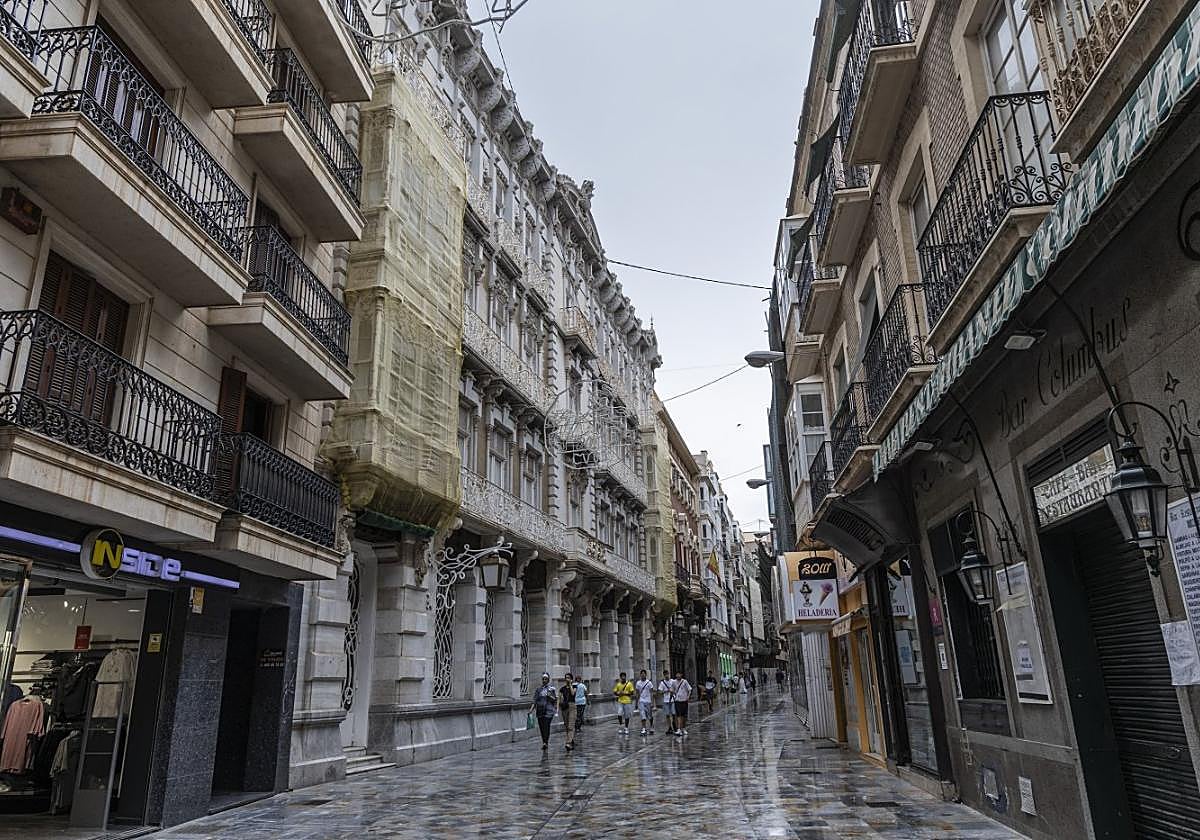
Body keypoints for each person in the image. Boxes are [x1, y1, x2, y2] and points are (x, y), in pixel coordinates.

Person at [530, 672, 558, 750]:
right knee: (542, 727)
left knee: (546, 726)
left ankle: (545, 742)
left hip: (549, 711)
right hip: (540, 710)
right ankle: (544, 741)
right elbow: (535, 700)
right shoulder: (538, 690)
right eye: (543, 679)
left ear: (548, 680)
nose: (544, 680)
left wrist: (550, 696)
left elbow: (555, 699)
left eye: (546, 679)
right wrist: (531, 710)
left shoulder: (551, 689)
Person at [559, 673, 577, 751]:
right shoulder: (562, 689)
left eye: (569, 678)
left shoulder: (574, 686)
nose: (567, 679)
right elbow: (559, 698)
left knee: (571, 725)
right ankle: (571, 740)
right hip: (564, 707)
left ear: (571, 679)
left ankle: (568, 743)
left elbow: (573, 694)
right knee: (566, 725)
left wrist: (570, 685)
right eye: (566, 678)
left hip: (572, 706)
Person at [634, 669, 655, 736]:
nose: (643, 675)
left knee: (650, 716)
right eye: (642, 674)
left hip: (648, 701)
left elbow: (652, 693)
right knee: (643, 715)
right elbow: (637, 693)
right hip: (641, 701)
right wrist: (636, 703)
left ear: (646, 674)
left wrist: (652, 702)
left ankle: (651, 726)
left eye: (644, 674)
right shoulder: (638, 683)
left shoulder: (649, 683)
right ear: (640, 675)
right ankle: (643, 728)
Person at [672, 670, 692, 736]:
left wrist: (688, 697)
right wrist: (673, 694)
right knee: (678, 715)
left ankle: (683, 728)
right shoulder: (674, 682)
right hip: (677, 700)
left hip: (684, 700)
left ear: (681, 675)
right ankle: (678, 729)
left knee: (684, 716)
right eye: (677, 674)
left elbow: (689, 689)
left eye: (679, 674)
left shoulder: (684, 681)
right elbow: (672, 690)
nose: (678, 675)